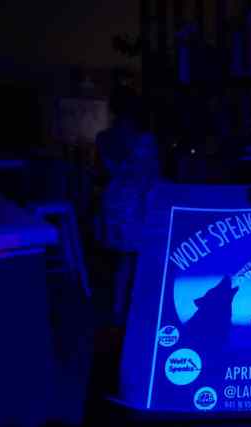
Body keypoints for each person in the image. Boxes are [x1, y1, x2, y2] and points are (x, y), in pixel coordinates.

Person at [95, 85, 160, 323]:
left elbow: (104, 172)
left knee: (124, 260)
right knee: (141, 257)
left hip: (116, 201)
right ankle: (139, 310)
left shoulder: (104, 138)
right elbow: (151, 172)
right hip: (140, 201)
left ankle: (119, 309)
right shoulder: (145, 139)